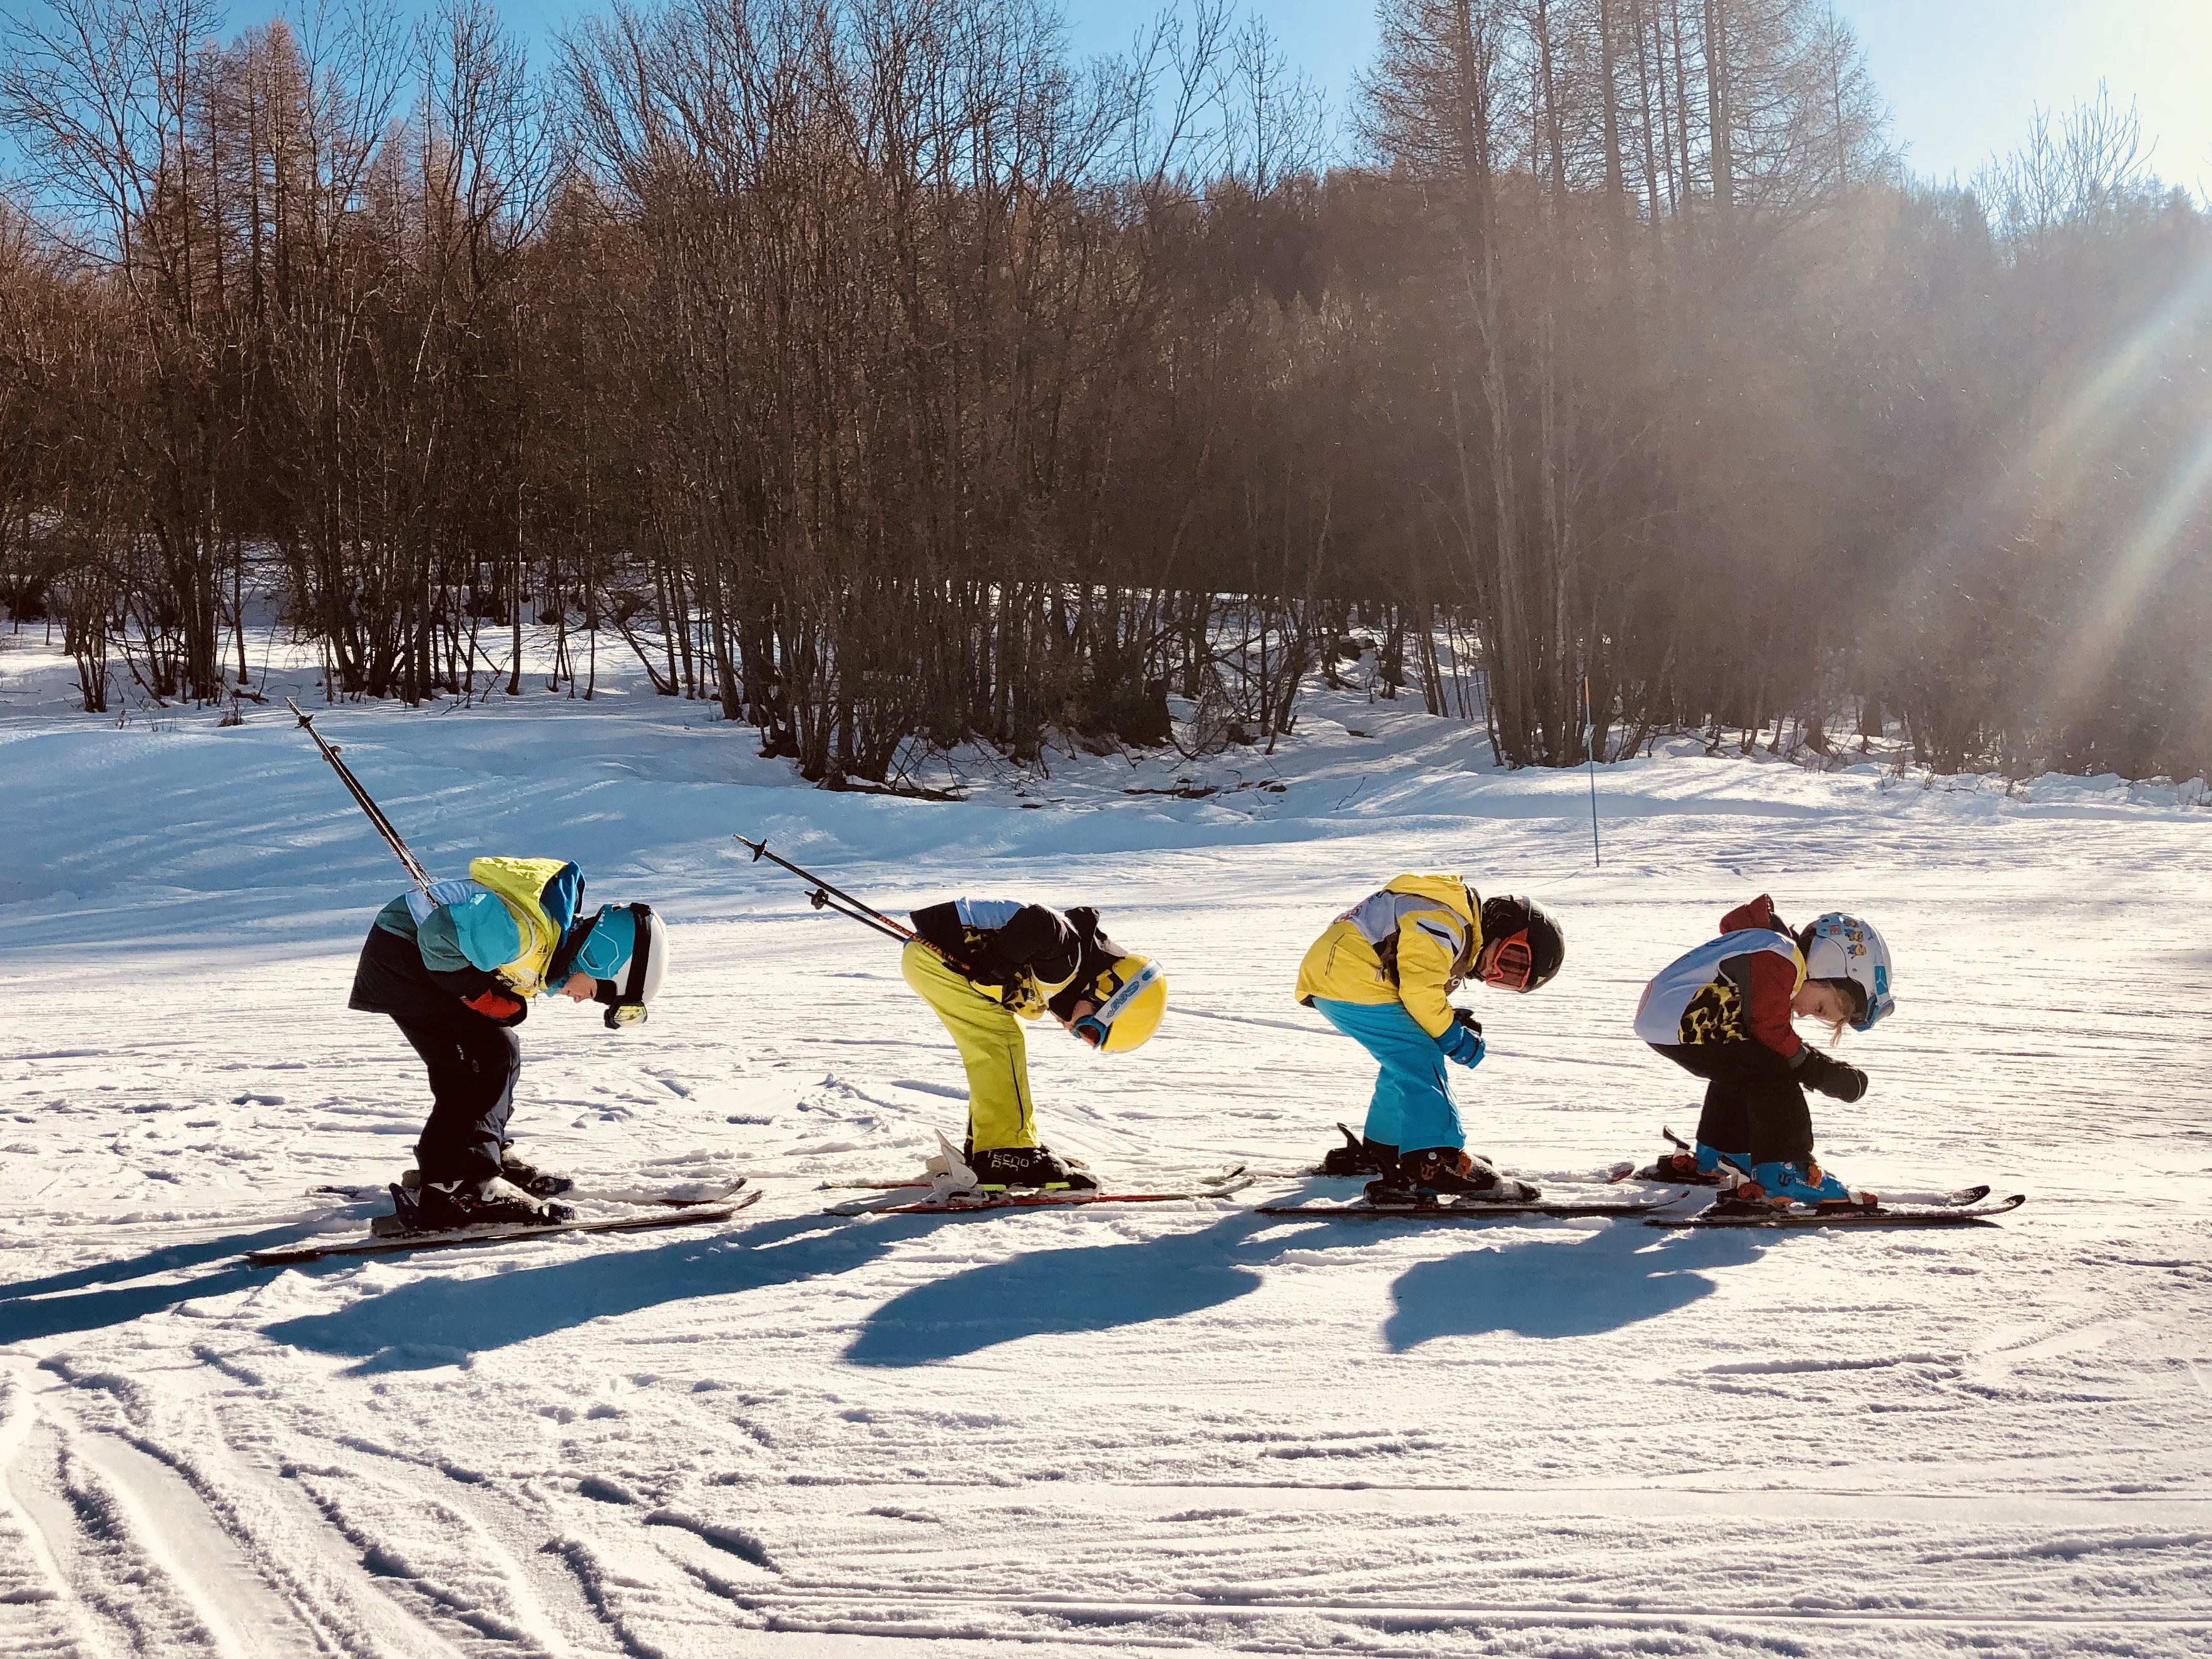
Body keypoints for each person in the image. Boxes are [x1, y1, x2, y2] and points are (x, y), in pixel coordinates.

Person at [347, 856, 666, 1228]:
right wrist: (475, 992)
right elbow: (437, 934)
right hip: (403, 957)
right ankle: (459, 1185)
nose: (582, 1000)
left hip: (415, 959)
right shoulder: (525, 934)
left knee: (499, 1052)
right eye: (596, 993)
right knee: (482, 1058)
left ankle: (475, 1159)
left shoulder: (543, 938)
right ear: (597, 959)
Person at [1295, 876, 1565, 1205]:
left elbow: (1418, 978)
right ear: (1500, 925)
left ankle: (1385, 1148)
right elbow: (1419, 991)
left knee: (1404, 1060)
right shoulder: (1445, 921)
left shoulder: (1448, 916)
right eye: (1509, 961)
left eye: (1509, 978)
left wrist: (1442, 1019)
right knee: (1421, 1059)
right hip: (1353, 980)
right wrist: (1452, 1035)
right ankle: (1434, 1160)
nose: (1493, 975)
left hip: (1345, 977)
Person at [1633, 895, 1894, 1211]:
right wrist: (1814, 1068)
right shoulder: (1780, 955)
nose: (1805, 1014)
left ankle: (1720, 1153)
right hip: (1688, 1016)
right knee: (1773, 1071)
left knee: (1746, 1066)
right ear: (1830, 964)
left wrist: (1809, 1064)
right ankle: (1785, 1171)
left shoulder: (1770, 948)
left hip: (1673, 1020)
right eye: (1820, 1007)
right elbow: (1768, 1029)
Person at [902, 898, 1166, 1191]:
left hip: (929, 960)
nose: (1075, 1033)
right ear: (1105, 991)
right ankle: (1006, 1151)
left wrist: (996, 967)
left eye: (1087, 1038)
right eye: (1090, 1029)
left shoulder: (1072, 968)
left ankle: (991, 1145)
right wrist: (997, 965)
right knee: (1001, 1040)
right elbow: (1041, 922)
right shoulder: (1068, 961)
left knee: (996, 1042)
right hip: (936, 960)